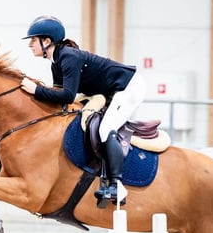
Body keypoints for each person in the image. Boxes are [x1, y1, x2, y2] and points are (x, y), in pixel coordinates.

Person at [20, 15, 146, 207]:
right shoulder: (57, 62)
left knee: (105, 129)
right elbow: (57, 96)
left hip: (128, 87)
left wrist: (36, 90)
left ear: (47, 41)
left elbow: (68, 96)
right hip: (112, 91)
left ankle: (117, 185)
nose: (29, 44)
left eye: (33, 40)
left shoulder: (68, 57)